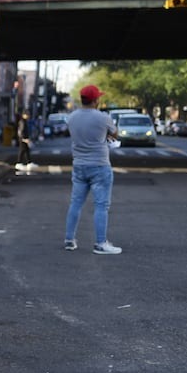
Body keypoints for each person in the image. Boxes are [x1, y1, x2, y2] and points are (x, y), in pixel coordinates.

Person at [64, 85, 122, 255]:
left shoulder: (71, 117)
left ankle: (69, 239)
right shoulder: (103, 118)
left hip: (79, 165)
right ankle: (100, 243)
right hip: (99, 166)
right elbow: (115, 134)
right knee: (101, 205)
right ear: (96, 100)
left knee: (75, 203)